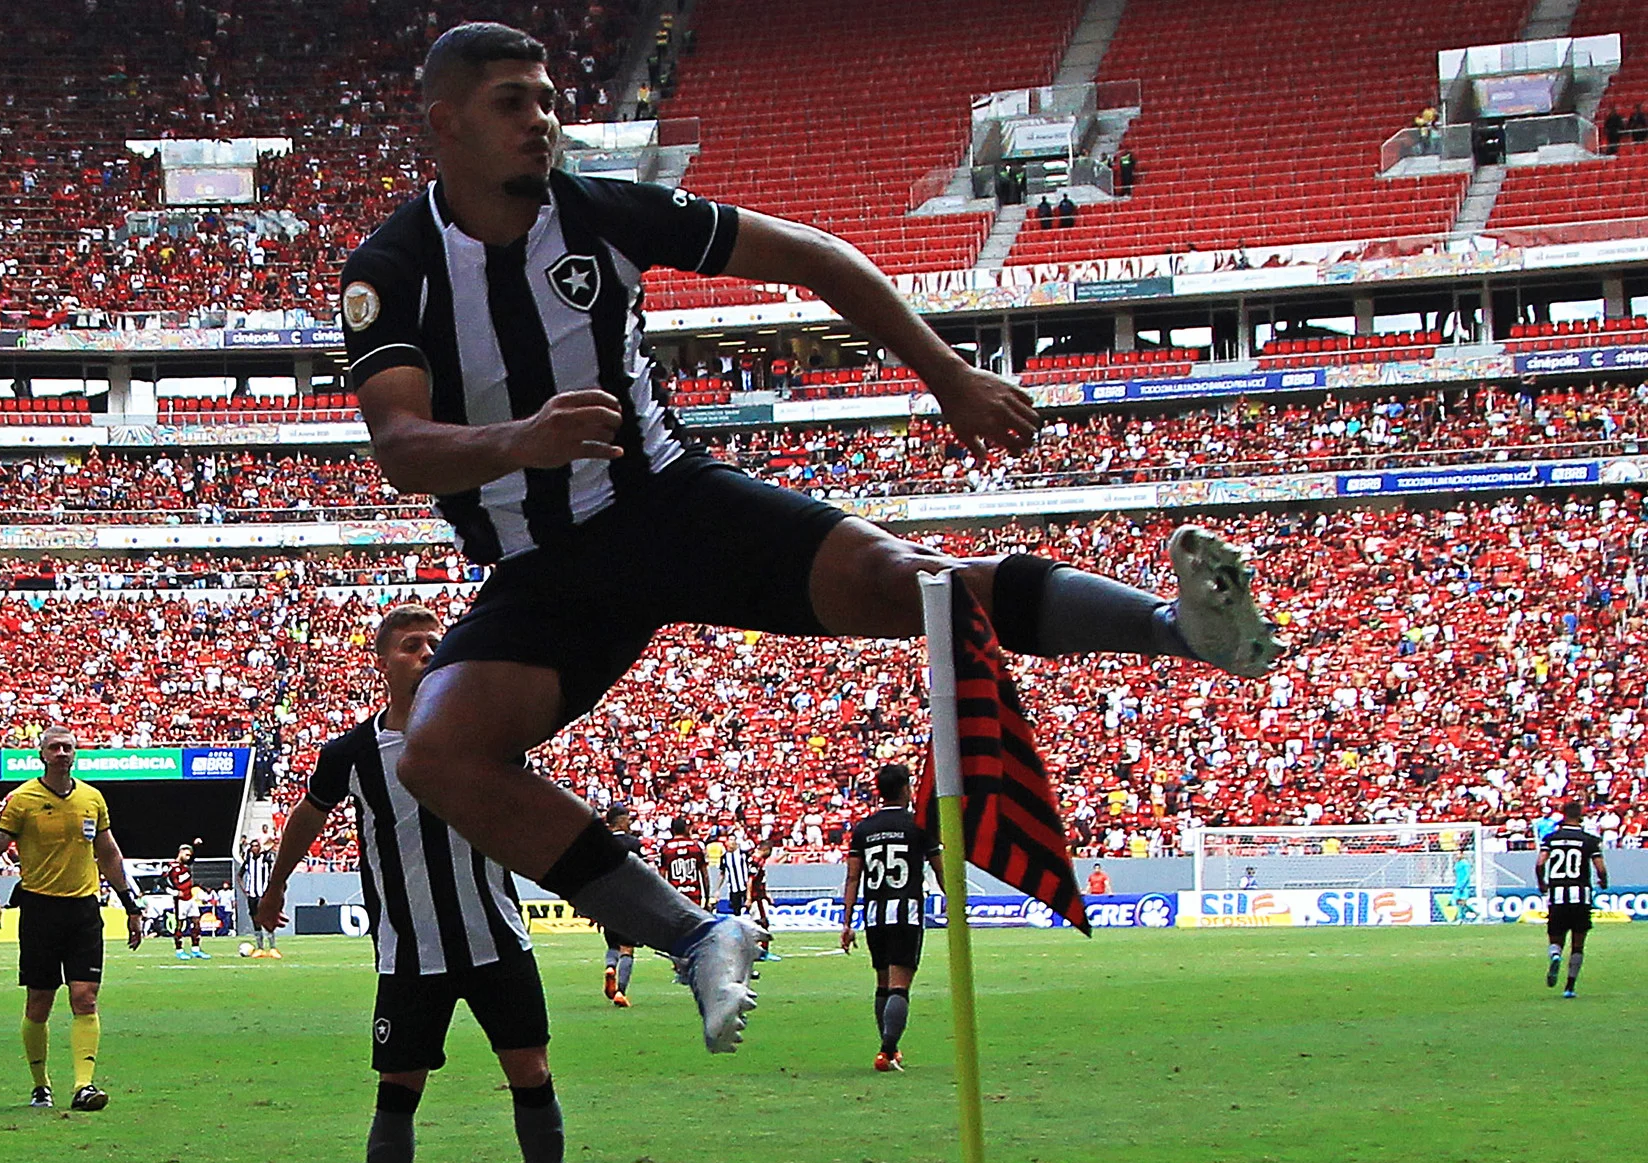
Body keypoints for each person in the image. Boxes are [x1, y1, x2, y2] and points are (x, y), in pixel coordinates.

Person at [340, 22, 1277, 1055]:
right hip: (542, 567)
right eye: (513, 102)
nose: (543, 121)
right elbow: (399, 443)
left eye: (548, 97)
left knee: (910, 583)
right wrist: (523, 438)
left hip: (668, 507)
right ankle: (695, 937)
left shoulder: (599, 211)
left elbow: (814, 256)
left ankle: (1182, 630)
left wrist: (946, 375)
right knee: (437, 752)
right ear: (445, 124)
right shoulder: (395, 267)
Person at [252, 605, 591, 1163]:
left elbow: (531, 806)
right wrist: (277, 882)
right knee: (396, 1091)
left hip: (497, 938)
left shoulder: (484, 737)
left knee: (532, 1074)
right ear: (381, 661)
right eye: (411, 645)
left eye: (436, 643)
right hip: (410, 954)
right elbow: (307, 813)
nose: (427, 651)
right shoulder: (352, 753)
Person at [0, 724, 145, 1111]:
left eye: (67, 747)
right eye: (54, 748)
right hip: (40, 909)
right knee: (39, 1001)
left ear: (75, 753)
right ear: (41, 755)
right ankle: (40, 1084)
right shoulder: (23, 800)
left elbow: (108, 854)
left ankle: (84, 1085)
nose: (61, 753)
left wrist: (130, 904)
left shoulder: (91, 798)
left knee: (85, 998)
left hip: (83, 909)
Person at [839, 764, 941, 1071]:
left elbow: (853, 878)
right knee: (899, 985)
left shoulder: (863, 829)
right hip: (906, 913)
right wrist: (956, 901)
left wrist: (846, 922)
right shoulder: (918, 826)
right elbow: (939, 867)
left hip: (874, 916)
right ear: (906, 789)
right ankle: (886, 1051)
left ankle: (890, 1049)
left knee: (882, 983)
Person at [1535, 800, 1606, 998]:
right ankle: (1569, 987)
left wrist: (1542, 883)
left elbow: (1540, 863)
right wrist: (1603, 881)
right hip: (1581, 896)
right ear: (1581, 815)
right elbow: (1600, 868)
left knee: (1556, 937)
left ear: (1563, 814)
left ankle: (1555, 954)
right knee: (1578, 943)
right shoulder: (1589, 840)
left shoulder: (1551, 838)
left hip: (1558, 895)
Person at [600, 803, 642, 1006]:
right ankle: (620, 991)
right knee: (627, 948)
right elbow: (640, 873)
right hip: (628, 901)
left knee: (612, 944)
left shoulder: (601, 843)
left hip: (607, 901)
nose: (630, 822)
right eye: (627, 818)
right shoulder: (633, 843)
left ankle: (610, 967)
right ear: (621, 820)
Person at [168, 842, 210, 959]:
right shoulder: (171, 867)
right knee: (180, 925)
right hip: (180, 900)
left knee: (196, 923)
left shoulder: (186, 867)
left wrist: (197, 847)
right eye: (186, 855)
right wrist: (176, 892)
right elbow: (161, 882)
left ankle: (195, 949)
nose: (188, 857)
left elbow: (193, 858)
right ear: (180, 852)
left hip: (190, 898)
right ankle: (179, 950)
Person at [660, 814, 709, 910]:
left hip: (675, 897)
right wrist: (707, 898)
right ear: (686, 829)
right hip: (694, 896)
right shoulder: (695, 848)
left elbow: (661, 877)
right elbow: (705, 876)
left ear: (672, 830)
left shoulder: (666, 849)